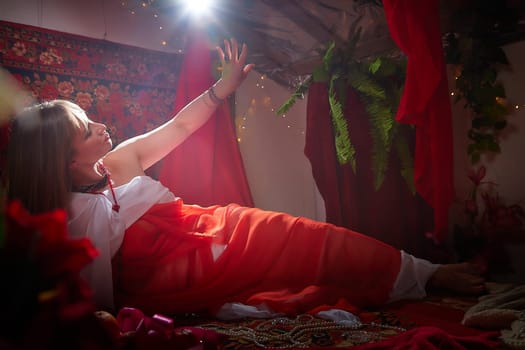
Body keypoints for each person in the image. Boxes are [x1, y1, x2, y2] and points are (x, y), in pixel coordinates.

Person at [6, 38, 486, 318]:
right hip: (184, 273)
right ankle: (424, 276)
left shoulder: (120, 161)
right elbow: (87, 296)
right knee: (290, 259)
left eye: (92, 119)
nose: (102, 127)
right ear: (67, 163)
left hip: (212, 230)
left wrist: (223, 88)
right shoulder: (67, 221)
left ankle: (422, 272)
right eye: (88, 131)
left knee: (300, 236)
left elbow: (179, 127)